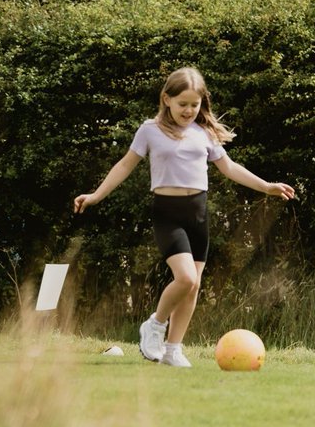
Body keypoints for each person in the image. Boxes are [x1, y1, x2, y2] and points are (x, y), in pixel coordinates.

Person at [73, 67, 294, 367]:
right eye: (183, 104)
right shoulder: (149, 130)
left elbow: (229, 168)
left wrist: (267, 186)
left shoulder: (204, 133)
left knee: (194, 285)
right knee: (185, 277)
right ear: (166, 99)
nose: (189, 110)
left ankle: (172, 349)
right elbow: (124, 165)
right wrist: (96, 195)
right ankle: (155, 325)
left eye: (195, 104)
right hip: (167, 214)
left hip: (198, 215)